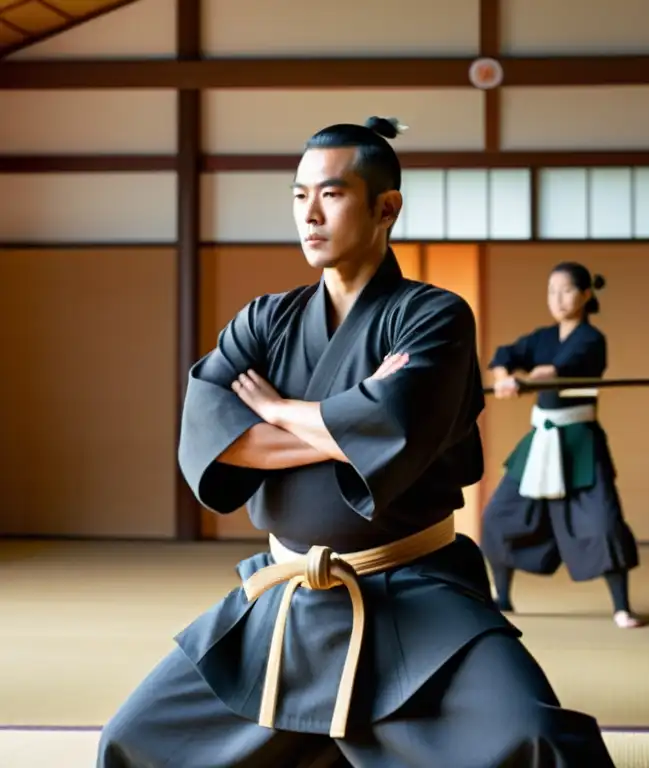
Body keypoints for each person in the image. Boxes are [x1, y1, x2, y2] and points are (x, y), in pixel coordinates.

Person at [97, 117, 618, 767]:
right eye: (298, 195)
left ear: (385, 207)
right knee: (131, 739)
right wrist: (345, 424)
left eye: (332, 194)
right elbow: (213, 437)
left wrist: (280, 410)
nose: (309, 214)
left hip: (416, 594)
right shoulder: (264, 320)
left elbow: (397, 429)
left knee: (534, 742)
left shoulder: (434, 317)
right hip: (285, 597)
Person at [480, 264, 642, 629]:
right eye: (551, 290)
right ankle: (502, 596)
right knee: (498, 516)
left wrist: (525, 381)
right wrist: (505, 376)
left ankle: (622, 606)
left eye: (566, 290)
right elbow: (505, 354)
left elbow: (558, 370)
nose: (557, 298)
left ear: (586, 295)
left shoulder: (591, 340)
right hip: (541, 439)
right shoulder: (542, 336)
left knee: (603, 521)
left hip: (579, 441)